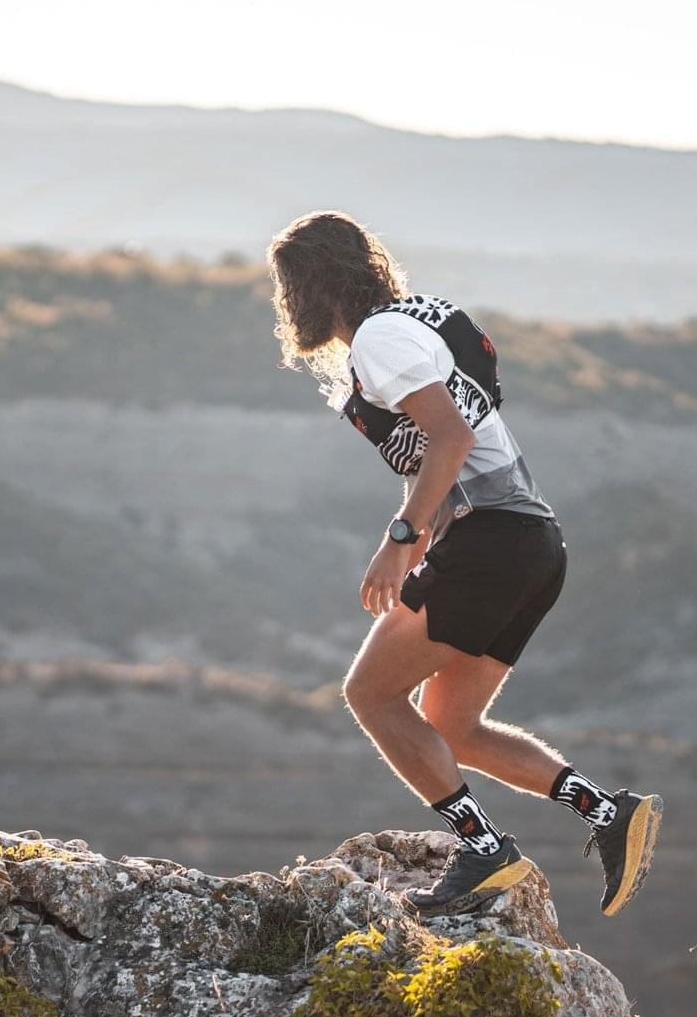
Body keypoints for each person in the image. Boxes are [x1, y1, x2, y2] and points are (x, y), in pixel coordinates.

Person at [265, 210, 662, 917]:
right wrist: (415, 546)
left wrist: (398, 537)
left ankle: (483, 852)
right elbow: (449, 451)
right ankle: (609, 813)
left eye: (288, 286)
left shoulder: (381, 341)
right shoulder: (420, 319)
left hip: (492, 541)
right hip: (532, 542)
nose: (286, 304)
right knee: (449, 724)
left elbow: (447, 440)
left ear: (315, 285)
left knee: (369, 695)